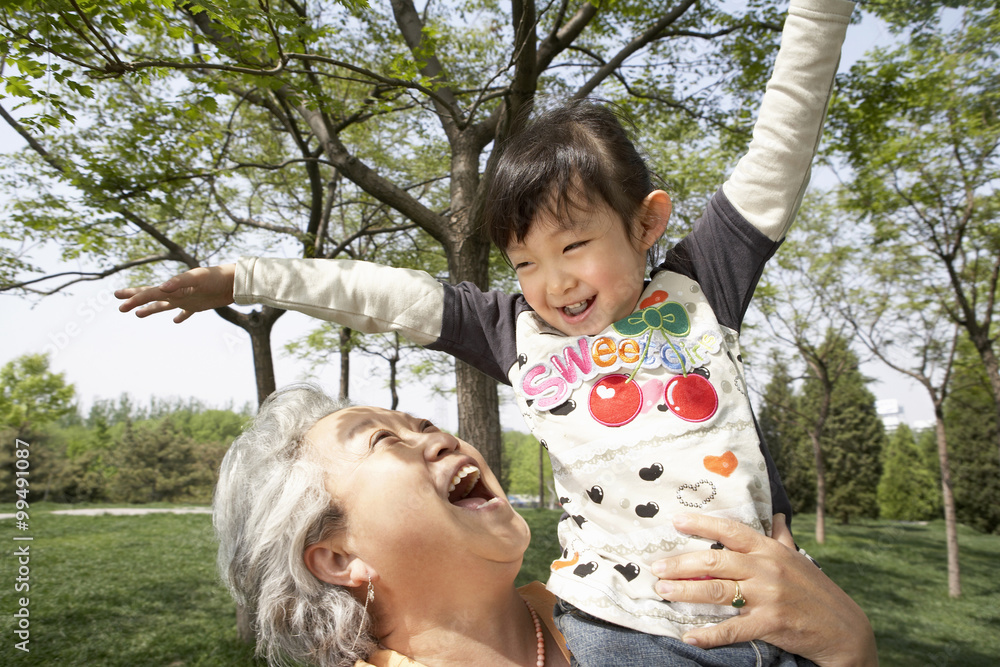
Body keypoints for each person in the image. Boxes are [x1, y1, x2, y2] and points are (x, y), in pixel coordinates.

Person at [119, 0, 858, 663]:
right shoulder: (516, 333)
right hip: (618, 629)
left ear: (647, 222)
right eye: (523, 262)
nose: (554, 283)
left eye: (573, 247)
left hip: (771, 604)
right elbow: (387, 294)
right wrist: (245, 277)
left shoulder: (702, 285)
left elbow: (781, 139)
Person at [214, 384, 877, 667]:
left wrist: (847, 645)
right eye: (382, 439)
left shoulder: (629, 608)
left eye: (419, 420)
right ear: (335, 557)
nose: (434, 434)